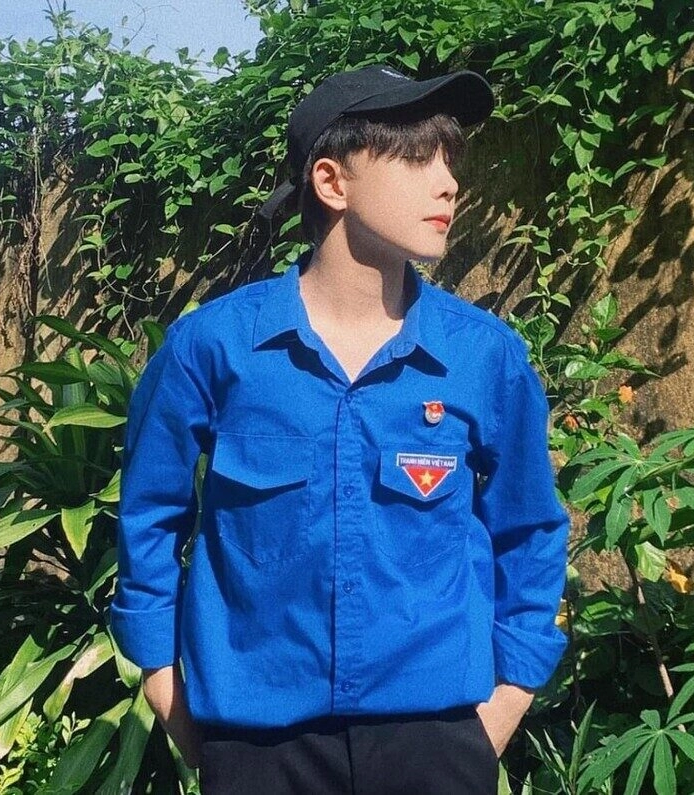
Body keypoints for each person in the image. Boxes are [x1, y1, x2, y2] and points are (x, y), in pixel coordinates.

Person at [111, 64, 569, 794]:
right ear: (331, 182)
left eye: (451, 160)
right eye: (418, 159)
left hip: (438, 741)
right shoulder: (213, 348)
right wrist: (163, 683)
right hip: (259, 746)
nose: (449, 184)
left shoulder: (484, 356)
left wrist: (506, 702)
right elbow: (149, 515)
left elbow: (531, 527)